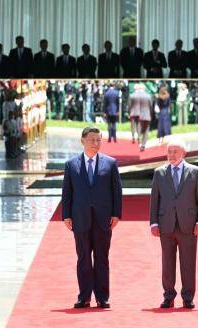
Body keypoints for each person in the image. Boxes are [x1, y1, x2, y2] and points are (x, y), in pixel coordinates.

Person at [62, 126, 122, 309]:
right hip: (80, 218)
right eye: (91, 140)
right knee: (83, 258)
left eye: (98, 140)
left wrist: (116, 214)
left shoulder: (110, 163)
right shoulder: (71, 164)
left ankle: (102, 297)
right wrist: (66, 215)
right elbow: (67, 193)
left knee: (102, 258)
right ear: (83, 141)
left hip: (103, 219)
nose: (95, 143)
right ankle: (84, 296)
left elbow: (116, 191)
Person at [149, 139, 198, 309]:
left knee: (188, 262)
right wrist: (153, 223)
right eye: (169, 152)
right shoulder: (159, 173)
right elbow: (154, 200)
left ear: (183, 153)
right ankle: (168, 296)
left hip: (188, 225)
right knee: (167, 263)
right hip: (165, 223)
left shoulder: (195, 172)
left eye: (175, 151)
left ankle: (188, 297)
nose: (172, 155)